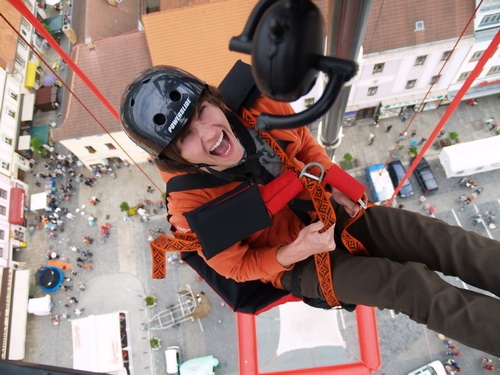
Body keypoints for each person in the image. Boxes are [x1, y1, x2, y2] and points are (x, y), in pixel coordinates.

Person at [120, 65, 500, 356]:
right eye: (186, 136)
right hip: (298, 265)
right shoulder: (189, 204)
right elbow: (234, 266)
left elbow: (303, 147)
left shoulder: (260, 109)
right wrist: (296, 251)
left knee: (446, 242)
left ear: (215, 100)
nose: (208, 133)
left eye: (203, 111)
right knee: (407, 287)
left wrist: (334, 184)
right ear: (176, 157)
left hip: (330, 211)